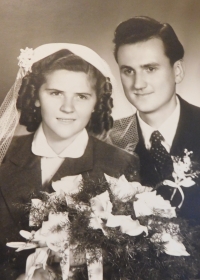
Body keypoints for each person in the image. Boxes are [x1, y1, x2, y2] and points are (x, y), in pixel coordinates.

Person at [0, 43, 140, 279]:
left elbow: (127, 263)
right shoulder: (3, 155)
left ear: (96, 103)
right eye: (55, 93)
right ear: (35, 97)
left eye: (82, 97)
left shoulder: (119, 164)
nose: (67, 108)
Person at [112, 16, 200, 225]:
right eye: (128, 71)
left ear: (177, 71)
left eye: (150, 69)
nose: (138, 84)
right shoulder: (108, 139)